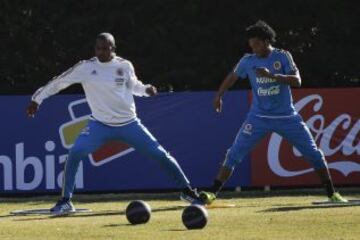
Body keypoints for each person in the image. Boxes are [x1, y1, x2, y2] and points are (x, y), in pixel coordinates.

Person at [26, 32, 202, 214]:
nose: (100, 52)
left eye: (105, 48)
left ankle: (187, 191)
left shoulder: (124, 65)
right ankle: (65, 201)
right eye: (97, 48)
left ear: (113, 49)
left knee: (160, 154)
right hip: (99, 125)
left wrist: (146, 89)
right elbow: (59, 82)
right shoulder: (85, 67)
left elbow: (134, 86)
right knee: (75, 153)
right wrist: (37, 99)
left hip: (129, 124)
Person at [199, 21, 348, 204]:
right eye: (251, 45)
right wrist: (219, 95)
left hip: (287, 117)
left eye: (257, 44)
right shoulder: (248, 60)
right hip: (258, 118)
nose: (253, 48)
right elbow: (232, 76)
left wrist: (272, 76)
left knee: (314, 154)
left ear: (267, 40)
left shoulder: (283, 57)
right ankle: (212, 193)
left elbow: (297, 81)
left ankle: (332, 194)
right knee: (233, 154)